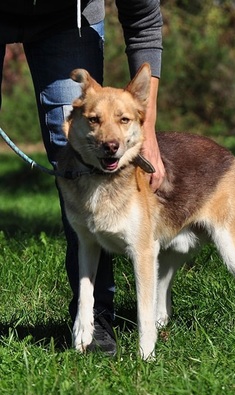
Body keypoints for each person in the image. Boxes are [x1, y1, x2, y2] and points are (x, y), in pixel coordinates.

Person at [0, 0, 165, 356]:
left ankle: (93, 321)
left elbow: (144, 21)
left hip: (66, 21)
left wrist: (147, 128)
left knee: (75, 144)